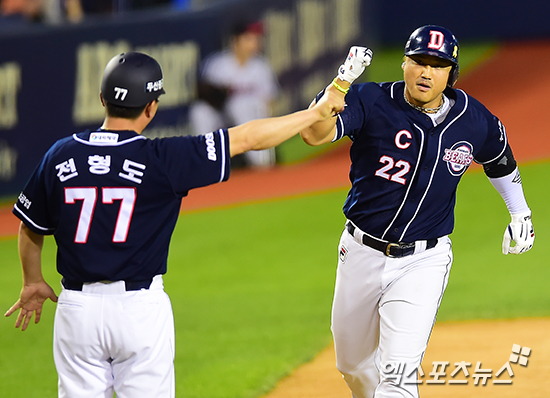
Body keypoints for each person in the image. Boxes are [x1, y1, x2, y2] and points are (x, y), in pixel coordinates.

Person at [4, 51, 343, 398]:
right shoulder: (162, 159)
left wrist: (32, 281)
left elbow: (30, 225)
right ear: (151, 107)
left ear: (102, 99)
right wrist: (313, 114)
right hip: (138, 311)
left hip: (76, 310)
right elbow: (246, 139)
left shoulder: (60, 154)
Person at [300, 25, 535, 398]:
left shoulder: (473, 119)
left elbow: (500, 160)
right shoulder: (370, 100)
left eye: (438, 65)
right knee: (352, 365)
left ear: (450, 74)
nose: (426, 72)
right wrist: (341, 84)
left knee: (398, 377)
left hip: (423, 261)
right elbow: (313, 134)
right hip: (359, 252)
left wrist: (520, 213)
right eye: (418, 61)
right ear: (404, 63)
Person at [189, 20, 280, 168]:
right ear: (235, 41)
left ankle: (263, 164)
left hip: (251, 117)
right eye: (249, 38)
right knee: (198, 111)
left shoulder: (261, 67)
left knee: (239, 106)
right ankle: (205, 165)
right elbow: (206, 97)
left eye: (256, 39)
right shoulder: (218, 64)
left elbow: (269, 101)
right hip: (222, 116)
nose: (254, 43)